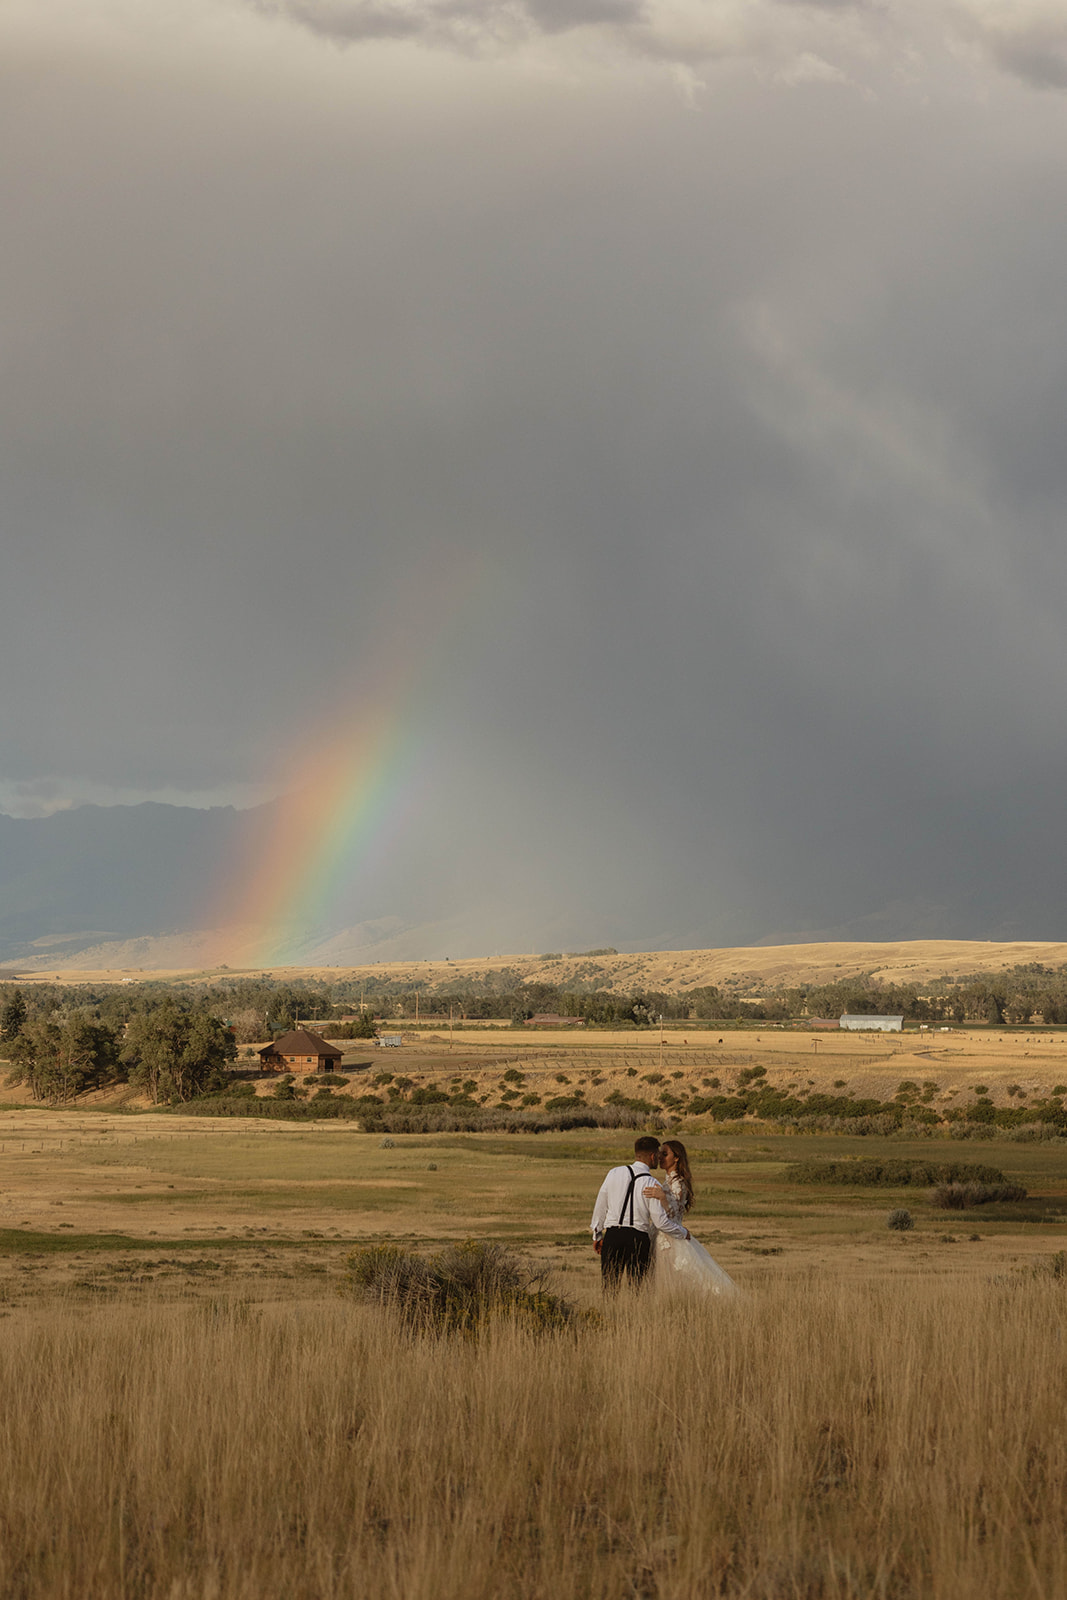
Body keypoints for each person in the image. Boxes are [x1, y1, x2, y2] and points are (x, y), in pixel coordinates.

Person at [590, 1135, 690, 1291]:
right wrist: (682, 1232)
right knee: (637, 1290)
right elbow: (660, 1222)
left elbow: (600, 1206)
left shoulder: (614, 1173)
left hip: (613, 1236)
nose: (658, 1158)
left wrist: (597, 1235)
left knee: (609, 1288)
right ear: (651, 1156)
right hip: (638, 1240)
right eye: (657, 1155)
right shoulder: (652, 1183)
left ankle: (610, 1314)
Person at [642, 1139, 737, 1296]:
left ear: (676, 1158)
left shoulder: (679, 1183)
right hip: (659, 1234)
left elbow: (675, 1212)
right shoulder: (667, 1181)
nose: (660, 1157)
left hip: (671, 1235)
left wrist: (662, 1199)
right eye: (660, 1154)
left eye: (665, 1154)